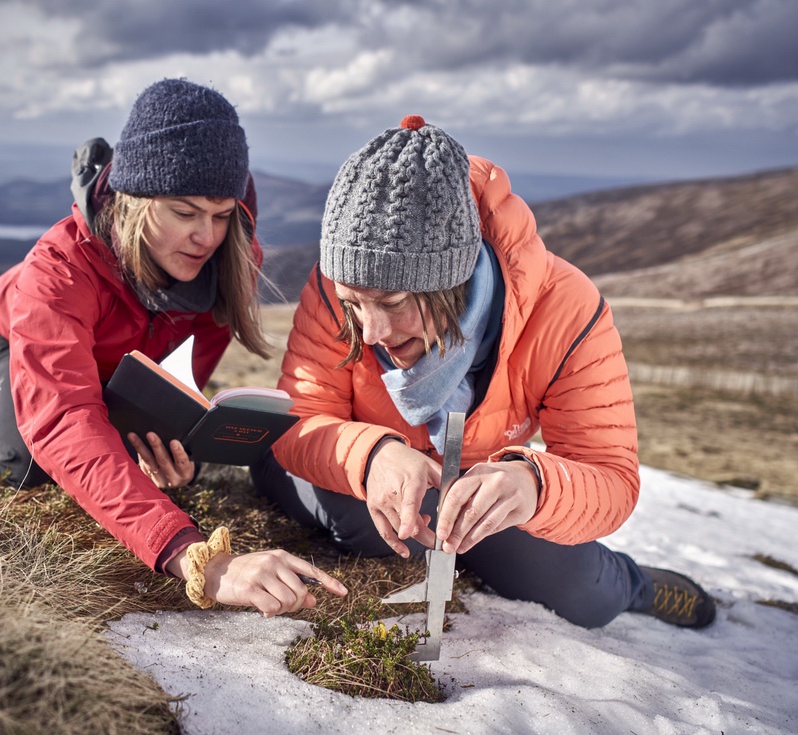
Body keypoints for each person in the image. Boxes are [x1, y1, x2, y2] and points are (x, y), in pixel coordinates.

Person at [251, 115, 714, 629]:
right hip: (361, 477)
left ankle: (636, 586)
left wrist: (529, 483)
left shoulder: (564, 308)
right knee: (371, 522)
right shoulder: (334, 288)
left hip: (480, 489)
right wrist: (373, 456)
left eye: (393, 302)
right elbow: (301, 420)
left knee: (585, 592)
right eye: (353, 304)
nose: (372, 329)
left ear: (452, 279)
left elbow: (610, 475)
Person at [0, 78, 347, 616]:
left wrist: (166, 437)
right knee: (32, 468)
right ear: (134, 200)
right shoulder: (58, 270)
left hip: (121, 372)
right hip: (22, 338)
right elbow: (64, 420)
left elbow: (176, 380)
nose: (207, 237)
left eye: (222, 215)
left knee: (130, 455)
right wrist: (193, 555)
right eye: (185, 212)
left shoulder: (229, 261)